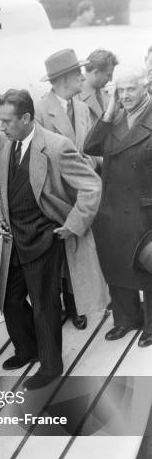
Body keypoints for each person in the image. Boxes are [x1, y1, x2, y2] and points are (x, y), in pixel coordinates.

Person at [0, 89, 106, 390]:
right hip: (13, 238)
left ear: (27, 118)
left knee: (45, 305)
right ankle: (27, 349)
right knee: (9, 300)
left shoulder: (57, 147)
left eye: (7, 121)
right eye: (0, 120)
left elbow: (91, 186)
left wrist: (73, 224)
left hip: (45, 236)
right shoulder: (5, 143)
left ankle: (51, 366)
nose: (2, 127)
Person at [84, 65, 152, 347]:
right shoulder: (115, 118)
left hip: (144, 209)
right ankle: (126, 319)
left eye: (130, 89)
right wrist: (109, 110)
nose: (124, 95)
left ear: (145, 86)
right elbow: (90, 147)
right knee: (116, 265)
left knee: (148, 267)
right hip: (112, 208)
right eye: (119, 90)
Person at [36, 48, 99, 330]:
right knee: (60, 258)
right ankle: (67, 307)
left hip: (82, 195)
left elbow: (97, 149)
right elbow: (36, 160)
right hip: (57, 197)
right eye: (78, 73)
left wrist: (92, 162)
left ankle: (78, 305)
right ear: (64, 79)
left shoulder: (83, 108)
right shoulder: (39, 112)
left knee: (78, 253)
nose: (83, 77)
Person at [81, 49, 119, 125]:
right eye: (108, 75)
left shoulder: (107, 94)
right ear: (96, 72)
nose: (111, 79)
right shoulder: (74, 97)